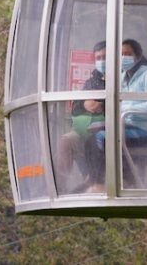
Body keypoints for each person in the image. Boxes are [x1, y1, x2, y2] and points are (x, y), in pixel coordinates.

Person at [85, 38, 147, 191]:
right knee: (90, 139)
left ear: (137, 56)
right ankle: (98, 180)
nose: (124, 58)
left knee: (101, 138)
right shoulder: (122, 76)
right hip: (124, 126)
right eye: (121, 54)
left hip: (143, 130)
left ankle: (105, 182)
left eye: (128, 54)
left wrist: (129, 109)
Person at [56, 41, 106, 192]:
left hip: (107, 129)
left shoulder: (121, 78)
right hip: (87, 128)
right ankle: (60, 187)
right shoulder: (92, 81)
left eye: (105, 57)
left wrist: (102, 106)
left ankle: (93, 180)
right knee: (67, 141)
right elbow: (76, 107)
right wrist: (84, 104)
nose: (102, 61)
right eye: (98, 58)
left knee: (95, 139)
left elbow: (124, 103)